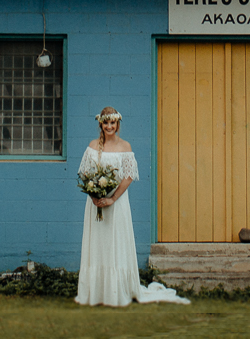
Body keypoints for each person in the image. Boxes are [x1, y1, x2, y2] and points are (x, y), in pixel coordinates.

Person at [75, 107, 189, 307]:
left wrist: (112, 199)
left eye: (113, 123)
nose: (109, 126)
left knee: (115, 243)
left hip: (117, 205)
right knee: (99, 244)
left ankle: (118, 291)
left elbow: (128, 177)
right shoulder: (93, 146)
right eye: (106, 123)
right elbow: (85, 174)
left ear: (118, 124)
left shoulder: (125, 146)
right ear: (100, 124)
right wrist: (94, 196)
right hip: (96, 205)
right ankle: (97, 292)